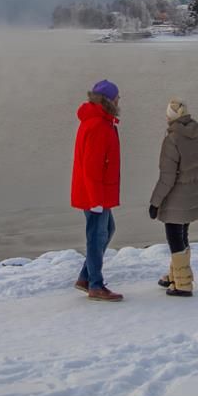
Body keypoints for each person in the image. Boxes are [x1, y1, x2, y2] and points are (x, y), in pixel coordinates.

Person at [70, 79, 124, 302]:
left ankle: (86, 278)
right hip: (94, 194)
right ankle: (95, 285)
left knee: (107, 230)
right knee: (96, 235)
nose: (120, 101)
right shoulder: (98, 126)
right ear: (109, 100)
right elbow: (92, 167)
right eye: (117, 97)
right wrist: (95, 200)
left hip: (99, 191)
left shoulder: (101, 121)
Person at [148, 98, 198, 297]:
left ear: (171, 117)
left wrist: (155, 202)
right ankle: (177, 274)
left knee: (174, 237)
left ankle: (183, 283)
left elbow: (167, 177)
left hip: (176, 196)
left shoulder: (172, 140)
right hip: (193, 194)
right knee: (183, 234)